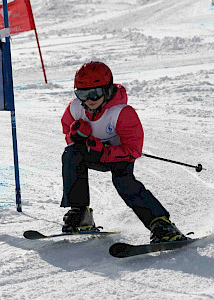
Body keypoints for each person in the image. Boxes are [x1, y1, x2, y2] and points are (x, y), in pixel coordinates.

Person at [60, 61, 187, 243]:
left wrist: (103, 151)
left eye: (94, 93)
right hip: (92, 153)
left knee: (123, 181)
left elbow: (133, 150)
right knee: (71, 154)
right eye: (82, 94)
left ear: (106, 89)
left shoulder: (122, 113)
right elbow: (68, 132)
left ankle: (161, 223)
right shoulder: (75, 108)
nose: (88, 99)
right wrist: (77, 136)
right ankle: (81, 214)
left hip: (119, 156)